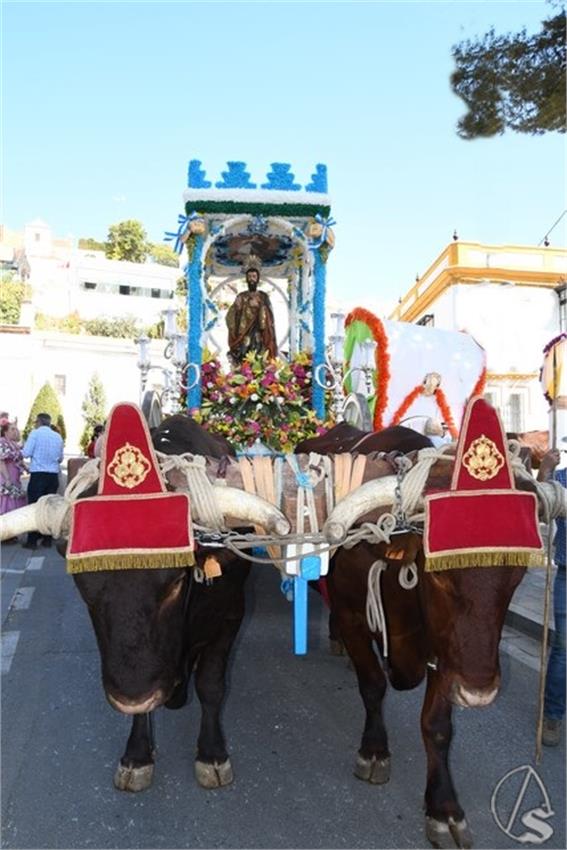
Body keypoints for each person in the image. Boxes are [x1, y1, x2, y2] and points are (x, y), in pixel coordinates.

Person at [537, 447, 566, 746]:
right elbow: (540, 505)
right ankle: (553, 716)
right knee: (564, 649)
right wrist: (544, 468)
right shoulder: (561, 479)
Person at [21, 412, 64, 550]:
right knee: (49, 507)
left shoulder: (35, 433)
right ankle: (47, 539)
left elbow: (26, 453)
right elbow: (60, 458)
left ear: (38, 422)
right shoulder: (57, 436)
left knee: (35, 507)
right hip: (52, 475)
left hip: (38, 474)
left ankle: (32, 540)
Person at [225, 262, 277, 366]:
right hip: (244, 331)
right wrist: (237, 308)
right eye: (249, 277)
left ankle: (258, 374)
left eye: (254, 276)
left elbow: (270, 315)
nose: (251, 279)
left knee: (259, 352)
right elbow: (231, 315)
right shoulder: (241, 296)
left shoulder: (263, 296)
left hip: (259, 330)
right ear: (246, 279)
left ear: (258, 279)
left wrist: (261, 306)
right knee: (244, 350)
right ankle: (243, 372)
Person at [0, 421, 27, 541]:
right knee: (7, 503)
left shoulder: (14, 444)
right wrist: (7, 479)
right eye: (12, 429)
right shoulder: (2, 442)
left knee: (14, 502)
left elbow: (18, 460)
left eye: (16, 429)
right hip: (6, 477)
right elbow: (1, 461)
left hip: (15, 477)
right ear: (5, 431)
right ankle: (5, 533)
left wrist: (26, 468)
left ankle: (11, 532)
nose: (15, 431)